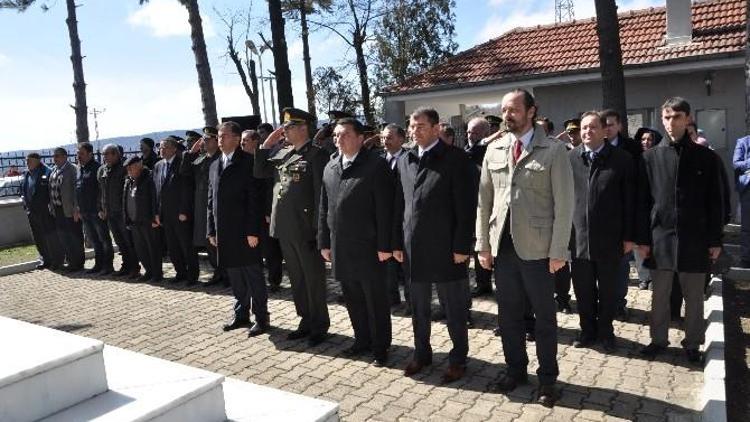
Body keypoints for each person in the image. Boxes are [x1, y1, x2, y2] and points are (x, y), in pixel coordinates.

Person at [476, 89, 573, 406]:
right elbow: (484, 202)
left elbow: (565, 204)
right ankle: (515, 370)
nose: (507, 115)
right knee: (508, 317)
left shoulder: (554, 151)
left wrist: (559, 250)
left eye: (514, 109)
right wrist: (483, 245)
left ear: (532, 111)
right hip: (502, 248)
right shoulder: (495, 150)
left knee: (544, 319)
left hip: (540, 251)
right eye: (504, 110)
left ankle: (547, 381)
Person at [636, 97, 724, 364]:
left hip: (695, 238)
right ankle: (658, 340)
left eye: (676, 117)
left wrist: (715, 239)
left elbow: (715, 201)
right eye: (666, 118)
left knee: (694, 296)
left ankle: (693, 342)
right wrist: (642, 238)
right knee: (660, 295)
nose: (670, 123)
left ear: (687, 120)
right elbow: (643, 201)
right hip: (660, 237)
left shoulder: (707, 158)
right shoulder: (650, 158)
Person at [393, 107, 474, 384]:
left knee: (454, 309)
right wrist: (396, 242)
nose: (415, 131)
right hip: (413, 248)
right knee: (418, 308)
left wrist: (463, 246)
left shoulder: (456, 159)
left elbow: (466, 208)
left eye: (421, 126)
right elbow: (400, 205)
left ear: (437, 128)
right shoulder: (406, 159)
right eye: (411, 126)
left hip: (447, 249)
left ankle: (458, 359)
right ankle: (422, 353)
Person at [318, 117, 394, 366]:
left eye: (345, 134)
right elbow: (324, 207)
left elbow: (386, 209)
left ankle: (380, 347)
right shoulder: (331, 166)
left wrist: (385, 245)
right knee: (352, 297)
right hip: (341, 246)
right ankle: (362, 340)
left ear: (361, 138)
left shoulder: (376, 165)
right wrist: (324, 241)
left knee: (375, 300)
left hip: (369, 247)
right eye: (336, 135)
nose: (339, 139)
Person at [255, 108, 330, 346]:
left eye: (288, 127)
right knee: (297, 279)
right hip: (285, 227)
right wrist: (267, 144)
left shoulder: (317, 155)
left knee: (313, 279)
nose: (284, 130)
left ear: (303, 128)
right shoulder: (284, 153)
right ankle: (305, 320)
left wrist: (319, 232)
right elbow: (260, 171)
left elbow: (321, 197)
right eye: (284, 127)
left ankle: (319, 324)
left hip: (305, 229)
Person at [568, 111, 635, 352]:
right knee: (583, 292)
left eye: (592, 127)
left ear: (604, 130)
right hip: (579, 240)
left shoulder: (622, 159)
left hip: (610, 240)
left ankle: (606, 333)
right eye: (583, 127)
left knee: (608, 292)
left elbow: (630, 201)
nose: (587, 131)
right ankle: (587, 332)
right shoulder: (571, 159)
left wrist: (629, 236)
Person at [209, 121, 269, 336]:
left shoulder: (247, 162)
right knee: (235, 276)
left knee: (253, 276)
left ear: (236, 138)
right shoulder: (215, 164)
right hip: (225, 232)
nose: (220, 140)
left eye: (224, 136)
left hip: (245, 232)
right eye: (218, 136)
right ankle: (241, 314)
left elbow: (255, 200)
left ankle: (261, 318)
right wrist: (211, 230)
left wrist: (253, 231)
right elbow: (211, 201)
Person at [601, 108, 641, 321]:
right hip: (599, 220)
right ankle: (603, 303)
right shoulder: (592, 148)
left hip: (622, 216)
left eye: (611, 124)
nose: (607, 128)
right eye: (604, 124)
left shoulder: (633, 150)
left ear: (620, 126)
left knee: (621, 264)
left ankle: (618, 303)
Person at [182, 127, 225, 286]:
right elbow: (184, 171)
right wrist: (191, 152)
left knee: (220, 242)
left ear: (216, 140)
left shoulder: (221, 158)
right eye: (203, 140)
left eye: (207, 140)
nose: (204, 143)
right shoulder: (201, 158)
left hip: (217, 205)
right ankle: (218, 272)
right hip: (201, 206)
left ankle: (225, 273)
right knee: (209, 241)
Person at [154, 137, 199, 285]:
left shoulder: (181, 163)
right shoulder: (158, 166)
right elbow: (157, 191)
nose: (162, 150)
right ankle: (180, 272)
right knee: (172, 247)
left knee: (186, 246)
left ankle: (192, 275)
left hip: (180, 213)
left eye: (165, 147)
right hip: (165, 214)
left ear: (174, 149)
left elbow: (187, 189)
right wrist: (157, 213)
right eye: (160, 147)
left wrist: (184, 211)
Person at [98, 143, 139, 278]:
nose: (105, 158)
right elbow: (101, 191)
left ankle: (134, 267)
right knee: (119, 242)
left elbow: (128, 192)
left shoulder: (123, 169)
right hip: (110, 213)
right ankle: (125, 265)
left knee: (128, 241)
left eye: (107, 155)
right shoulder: (103, 170)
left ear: (115, 154)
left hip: (122, 212)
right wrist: (102, 208)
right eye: (104, 155)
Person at [380, 124, 409, 313]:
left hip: (405, 219)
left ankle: (412, 301)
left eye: (389, 138)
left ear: (401, 139)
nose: (385, 142)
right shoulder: (379, 161)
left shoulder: (410, 159)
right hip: (385, 219)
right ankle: (391, 298)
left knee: (407, 264)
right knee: (387, 263)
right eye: (383, 138)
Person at [20, 152, 63, 270]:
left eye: (29, 160)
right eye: (26, 161)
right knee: (38, 237)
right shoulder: (26, 174)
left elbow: (52, 191)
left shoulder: (47, 172)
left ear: (37, 160)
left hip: (45, 211)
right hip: (32, 211)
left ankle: (57, 260)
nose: (27, 163)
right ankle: (45, 259)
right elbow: (23, 190)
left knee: (50, 236)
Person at [465, 117, 493, 298]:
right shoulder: (467, 151)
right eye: (468, 131)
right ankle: (483, 284)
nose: (470, 135)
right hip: (473, 207)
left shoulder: (489, 150)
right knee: (477, 248)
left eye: (474, 132)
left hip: (490, 207)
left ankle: (491, 284)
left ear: (485, 134)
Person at [76, 142, 114, 275]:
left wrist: (101, 208)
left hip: (96, 211)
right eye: (77, 153)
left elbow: (101, 191)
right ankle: (99, 264)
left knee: (103, 239)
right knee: (94, 240)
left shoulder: (97, 168)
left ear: (90, 154)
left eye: (81, 153)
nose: (78, 156)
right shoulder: (80, 169)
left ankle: (108, 265)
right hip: (85, 211)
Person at [123, 156, 163, 282]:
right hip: (134, 221)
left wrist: (155, 217)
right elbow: (125, 200)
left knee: (153, 248)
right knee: (141, 249)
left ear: (139, 165)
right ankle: (149, 271)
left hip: (147, 220)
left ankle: (157, 274)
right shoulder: (128, 180)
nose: (129, 170)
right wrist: (127, 218)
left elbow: (155, 199)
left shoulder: (149, 178)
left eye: (131, 167)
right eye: (128, 168)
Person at [255, 123, 285, 292]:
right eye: (259, 133)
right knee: (270, 248)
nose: (262, 136)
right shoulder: (264, 153)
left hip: (276, 209)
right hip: (266, 210)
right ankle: (273, 279)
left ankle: (276, 278)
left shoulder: (279, 152)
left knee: (276, 248)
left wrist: (268, 210)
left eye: (264, 133)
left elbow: (271, 186)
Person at [632, 128, 663, 289]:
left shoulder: (661, 158)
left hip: (657, 206)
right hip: (639, 206)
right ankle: (644, 277)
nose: (646, 142)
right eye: (643, 139)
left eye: (650, 139)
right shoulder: (635, 158)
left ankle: (654, 276)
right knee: (639, 244)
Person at [49, 147, 85, 272]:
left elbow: (77, 190)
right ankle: (70, 261)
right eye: (54, 156)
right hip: (58, 210)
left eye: (57, 156)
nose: (55, 158)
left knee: (74, 237)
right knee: (64, 237)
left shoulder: (72, 170)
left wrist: (77, 209)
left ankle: (78, 263)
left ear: (65, 157)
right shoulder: (54, 170)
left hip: (70, 210)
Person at [734, 134, 750, 268]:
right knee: (747, 226)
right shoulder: (743, 142)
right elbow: (736, 163)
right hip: (748, 188)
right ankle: (746, 258)